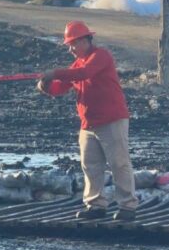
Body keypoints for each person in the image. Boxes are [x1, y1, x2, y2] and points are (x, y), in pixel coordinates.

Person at [37, 21, 139, 221]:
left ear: (85, 40)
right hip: (89, 123)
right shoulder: (77, 65)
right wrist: (45, 85)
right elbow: (60, 88)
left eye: (73, 44)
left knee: (119, 163)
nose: (70, 49)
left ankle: (128, 206)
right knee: (90, 165)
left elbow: (85, 74)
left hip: (112, 119)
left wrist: (54, 73)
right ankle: (95, 205)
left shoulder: (100, 56)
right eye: (69, 45)